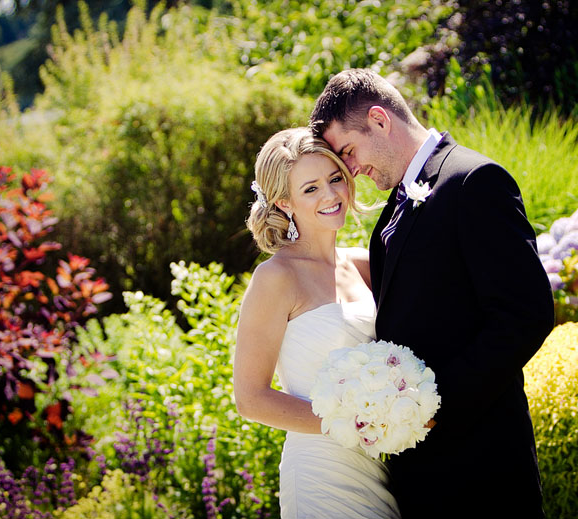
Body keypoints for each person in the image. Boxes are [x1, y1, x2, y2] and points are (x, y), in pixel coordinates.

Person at [310, 69, 555, 518]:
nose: (352, 170)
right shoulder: (395, 205)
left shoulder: (474, 181)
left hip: (483, 463)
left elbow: (526, 314)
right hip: (420, 474)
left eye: (349, 151)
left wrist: (435, 405)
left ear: (380, 121)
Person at [232, 127, 400, 519]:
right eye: (311, 189)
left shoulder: (365, 265)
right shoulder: (276, 279)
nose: (330, 195)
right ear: (284, 202)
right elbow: (251, 398)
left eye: (335, 178)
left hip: (384, 465)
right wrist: (356, 423)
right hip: (321, 473)